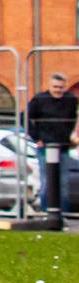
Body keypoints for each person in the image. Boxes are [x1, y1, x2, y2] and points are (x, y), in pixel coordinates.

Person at [27, 73, 79, 213]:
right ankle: (46, 213)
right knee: (47, 182)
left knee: (63, 183)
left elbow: (72, 119)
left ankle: (64, 214)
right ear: (49, 86)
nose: (58, 90)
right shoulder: (40, 99)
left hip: (62, 147)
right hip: (46, 148)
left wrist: (70, 136)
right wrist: (36, 138)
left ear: (65, 87)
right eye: (55, 87)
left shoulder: (70, 100)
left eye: (61, 87)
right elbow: (24, 117)